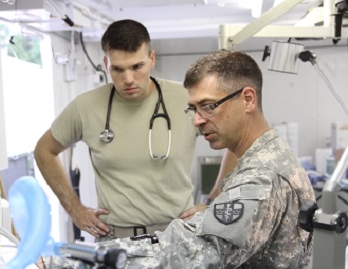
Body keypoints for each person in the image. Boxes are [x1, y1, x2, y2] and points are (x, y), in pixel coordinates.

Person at [98, 50, 316, 268]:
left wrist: (99, 256)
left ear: (247, 100)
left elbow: (196, 254)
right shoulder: (264, 156)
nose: (198, 120)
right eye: (194, 109)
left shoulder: (263, 176)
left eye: (208, 106)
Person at [34, 19, 236, 241]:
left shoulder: (186, 99)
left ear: (151, 59)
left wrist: (213, 201)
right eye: (118, 69)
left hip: (176, 238)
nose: (128, 79)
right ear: (105, 63)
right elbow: (44, 150)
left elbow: (235, 141)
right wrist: (74, 209)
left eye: (136, 67)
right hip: (116, 242)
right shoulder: (86, 107)